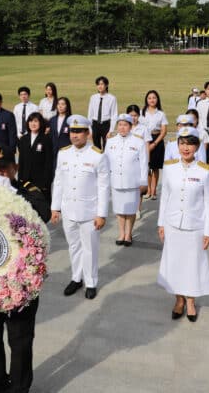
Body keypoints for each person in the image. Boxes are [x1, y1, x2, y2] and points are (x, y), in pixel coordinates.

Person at [0, 145, 51, 393]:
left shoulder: (27, 191)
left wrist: (12, 199)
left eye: (4, 168)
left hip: (20, 281)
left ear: (14, 168)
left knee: (20, 342)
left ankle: (19, 388)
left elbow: (44, 214)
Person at [157, 127, 209, 323]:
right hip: (172, 224)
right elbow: (165, 196)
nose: (186, 148)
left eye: (190, 144)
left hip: (194, 226)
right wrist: (161, 223)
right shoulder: (170, 168)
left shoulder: (204, 171)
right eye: (182, 143)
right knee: (175, 263)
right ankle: (179, 300)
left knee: (192, 265)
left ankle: (190, 301)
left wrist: (208, 231)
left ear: (197, 146)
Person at [51, 115, 110, 300]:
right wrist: (55, 208)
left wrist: (101, 214)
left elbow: (103, 187)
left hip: (89, 211)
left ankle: (90, 282)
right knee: (74, 246)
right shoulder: (63, 153)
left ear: (87, 133)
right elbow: (58, 181)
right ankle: (76, 278)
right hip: (69, 209)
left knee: (90, 248)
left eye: (79, 132)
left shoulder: (97, 155)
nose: (74, 135)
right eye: (72, 132)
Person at [105, 114, 148, 246]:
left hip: (132, 182)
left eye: (125, 125)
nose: (122, 128)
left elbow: (144, 163)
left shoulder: (138, 141)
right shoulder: (111, 141)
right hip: (116, 180)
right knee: (119, 209)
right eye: (120, 125)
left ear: (130, 126)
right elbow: (105, 162)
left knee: (130, 210)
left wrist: (144, 181)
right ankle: (121, 233)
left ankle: (128, 234)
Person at [17, 112, 54, 201]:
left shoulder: (46, 139)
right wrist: (20, 178)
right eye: (31, 121)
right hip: (26, 180)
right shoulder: (23, 139)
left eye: (36, 121)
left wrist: (46, 183)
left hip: (41, 182)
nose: (33, 124)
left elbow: (49, 162)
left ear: (41, 123)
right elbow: (21, 161)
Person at [140, 90, 168, 200]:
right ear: (146, 100)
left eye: (154, 98)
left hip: (157, 139)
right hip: (144, 140)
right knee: (146, 166)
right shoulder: (142, 113)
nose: (152, 100)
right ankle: (148, 190)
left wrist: (155, 143)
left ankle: (154, 191)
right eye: (150, 98)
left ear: (157, 99)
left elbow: (164, 131)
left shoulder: (161, 114)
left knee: (155, 167)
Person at [87, 76, 118, 150]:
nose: (100, 86)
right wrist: (90, 130)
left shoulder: (112, 98)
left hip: (106, 125)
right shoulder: (93, 97)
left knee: (107, 147)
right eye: (98, 84)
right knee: (96, 148)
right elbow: (90, 114)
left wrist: (111, 131)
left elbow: (114, 115)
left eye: (102, 84)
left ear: (106, 85)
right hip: (95, 125)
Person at [49, 96, 72, 161]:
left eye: (63, 104)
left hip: (66, 151)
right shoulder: (52, 120)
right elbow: (51, 136)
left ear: (67, 106)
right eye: (58, 104)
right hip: (54, 151)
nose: (60, 106)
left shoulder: (70, 120)